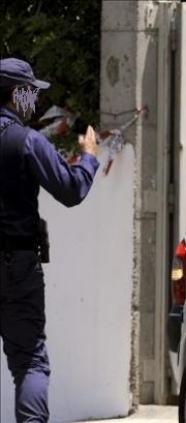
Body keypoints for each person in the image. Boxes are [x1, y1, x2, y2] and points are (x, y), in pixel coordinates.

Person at [0, 57, 99, 422]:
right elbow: (71, 190)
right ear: (16, 95)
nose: (35, 101)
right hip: (17, 265)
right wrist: (88, 157)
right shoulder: (26, 141)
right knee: (29, 361)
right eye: (30, 93)